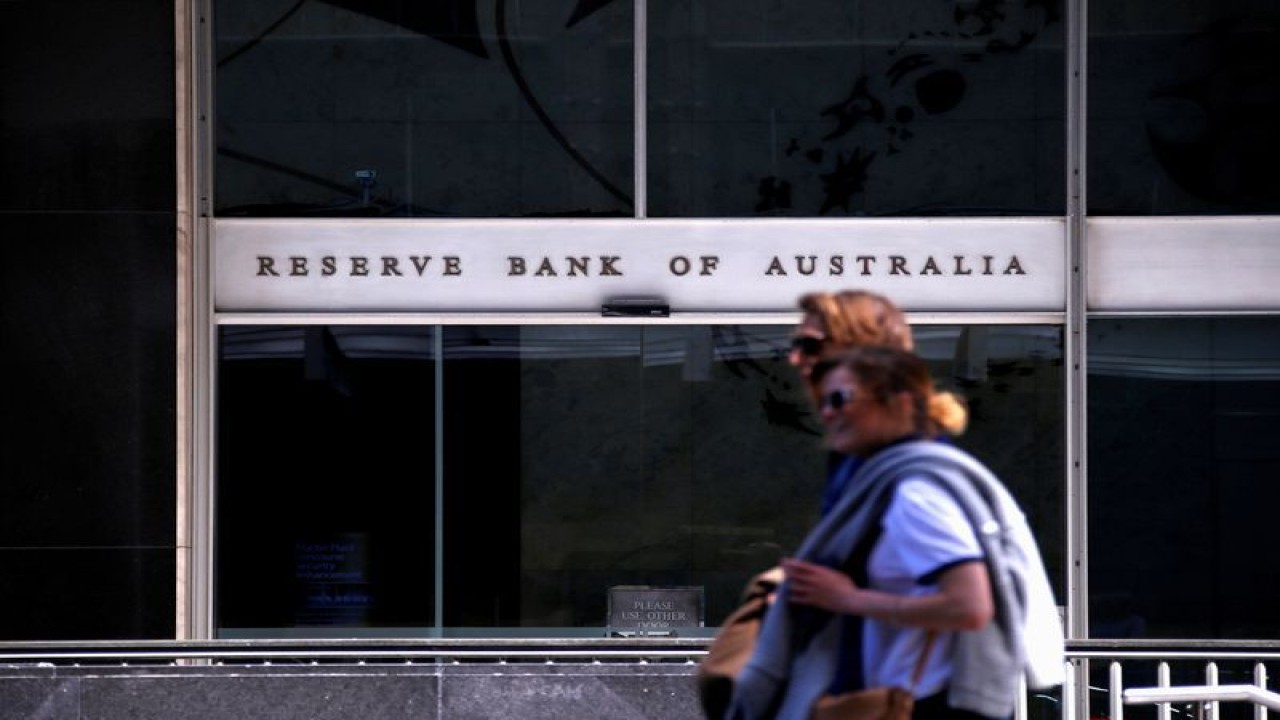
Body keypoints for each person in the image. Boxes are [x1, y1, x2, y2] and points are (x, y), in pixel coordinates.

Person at [728, 346, 1063, 720]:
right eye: (822, 401)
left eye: (841, 399)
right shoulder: (914, 480)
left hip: (924, 703)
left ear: (900, 403)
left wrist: (848, 599)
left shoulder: (915, 494)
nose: (828, 412)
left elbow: (970, 606)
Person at [787, 290, 917, 516]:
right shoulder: (856, 452)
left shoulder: (913, 470)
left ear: (861, 351)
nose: (795, 358)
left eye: (809, 346)